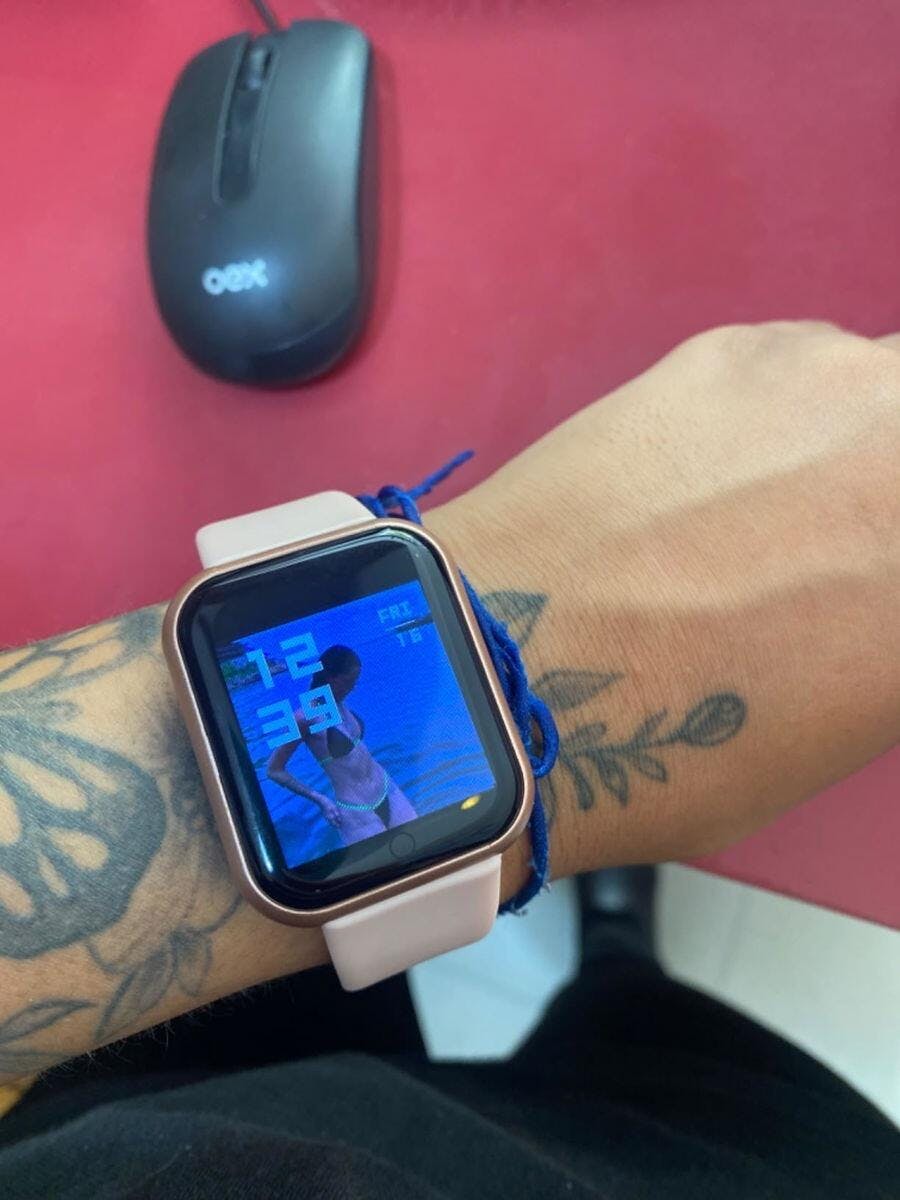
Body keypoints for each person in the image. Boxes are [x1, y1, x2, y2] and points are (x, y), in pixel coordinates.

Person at [0, 322, 897, 1198]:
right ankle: (619, 964)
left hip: (203, 1064)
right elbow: (274, 758)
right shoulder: (311, 721)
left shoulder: (333, 707)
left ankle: (615, 957)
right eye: (343, 680)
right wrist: (315, 795)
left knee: (344, 1014)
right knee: (743, 1113)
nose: (348, 686)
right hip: (350, 863)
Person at [266, 644, 418, 846]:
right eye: (348, 682)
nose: (352, 688)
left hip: (387, 789)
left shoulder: (338, 702)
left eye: (355, 682)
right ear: (331, 678)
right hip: (357, 810)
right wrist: (321, 800)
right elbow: (274, 770)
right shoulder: (303, 718)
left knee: (425, 845)